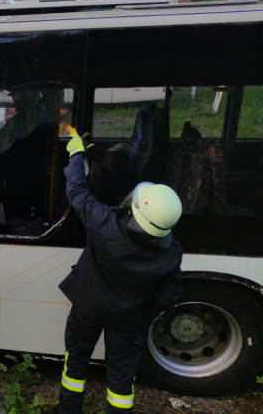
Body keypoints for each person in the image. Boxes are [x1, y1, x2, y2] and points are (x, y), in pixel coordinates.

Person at [56, 130, 184, 414]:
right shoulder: (171, 252)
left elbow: (76, 189)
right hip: (126, 319)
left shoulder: (104, 222)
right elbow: (170, 295)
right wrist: (140, 306)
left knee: (75, 363)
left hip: (87, 308)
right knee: (121, 381)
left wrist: (76, 153)